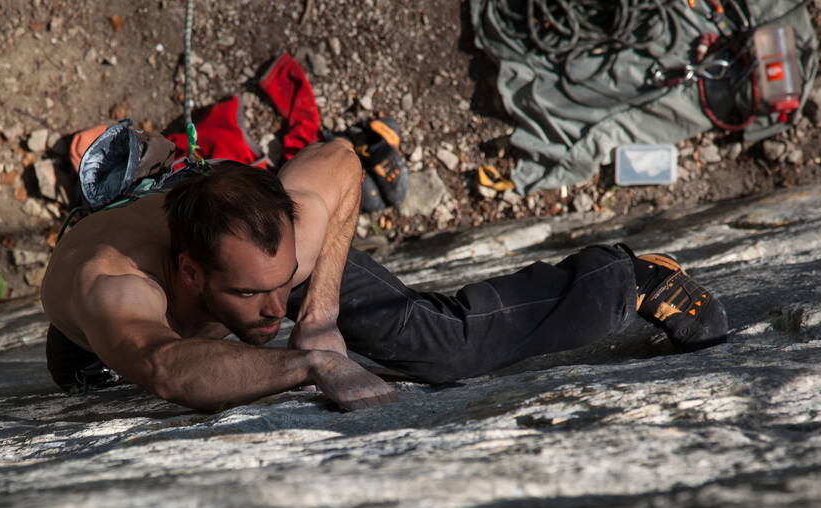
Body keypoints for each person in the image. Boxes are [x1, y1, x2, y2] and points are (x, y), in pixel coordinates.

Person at [41, 139, 727, 411]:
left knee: (443, 349)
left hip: (222, 238)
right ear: (187, 271)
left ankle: (626, 280)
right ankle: (86, 337)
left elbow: (340, 160)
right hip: (124, 287)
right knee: (107, 351)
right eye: (254, 294)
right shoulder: (114, 285)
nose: (275, 306)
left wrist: (319, 315)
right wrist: (307, 366)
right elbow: (166, 370)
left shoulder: (281, 255)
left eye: (283, 283)